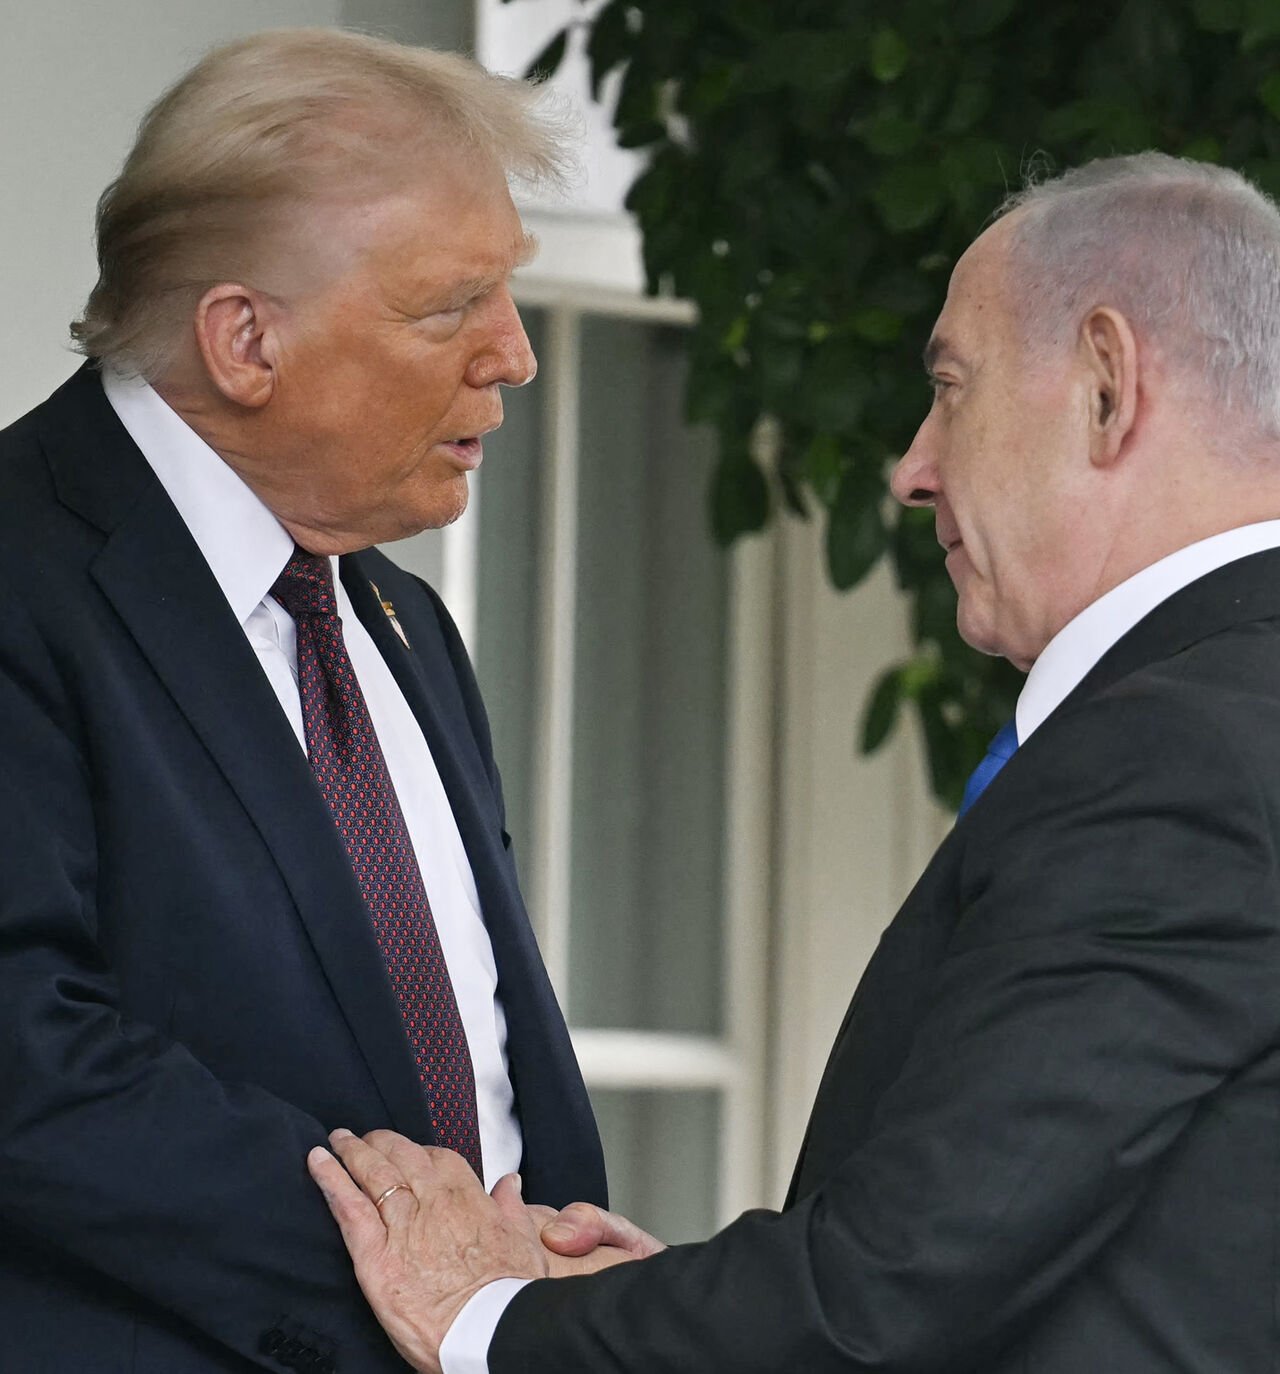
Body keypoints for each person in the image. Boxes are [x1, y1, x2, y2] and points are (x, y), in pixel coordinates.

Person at [310, 151, 1280, 1374]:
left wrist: (486, 1319)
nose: (910, 467)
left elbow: (888, 1290)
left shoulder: (1175, 753)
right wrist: (665, 1304)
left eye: (950, 386)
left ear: (1103, 385)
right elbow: (1077, 1243)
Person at [0, 27, 606, 1374]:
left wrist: (548, 1288)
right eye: (450, 306)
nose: (513, 355)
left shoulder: (400, 621)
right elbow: (25, 1057)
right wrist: (443, 1275)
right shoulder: (19, 576)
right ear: (244, 338)